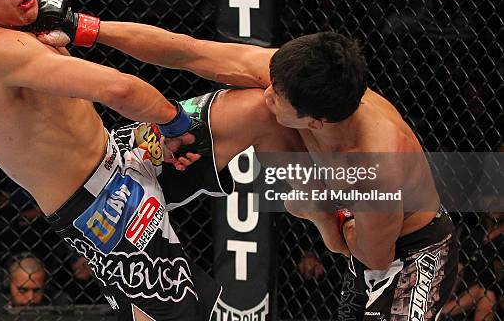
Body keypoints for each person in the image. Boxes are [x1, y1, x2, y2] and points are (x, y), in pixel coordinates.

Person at [0, 0, 301, 321]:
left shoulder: (30, 23)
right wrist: (175, 125)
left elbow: (180, 50)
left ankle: (330, 219)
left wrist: (82, 27)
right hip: (99, 208)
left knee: (264, 110)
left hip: (122, 149)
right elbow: (120, 91)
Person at [35, 16, 460, 320]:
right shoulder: (296, 84)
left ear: (315, 121)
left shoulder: (376, 165)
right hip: (349, 210)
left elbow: (371, 255)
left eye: (281, 97)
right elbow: (187, 51)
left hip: (408, 255)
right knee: (253, 108)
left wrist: (322, 217)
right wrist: (84, 27)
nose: (269, 93)